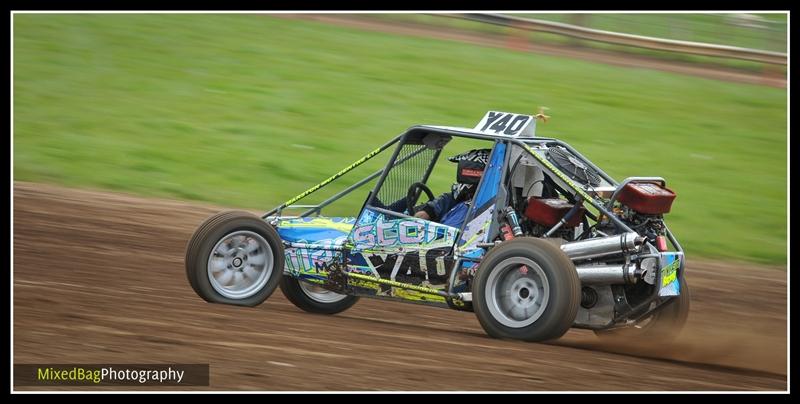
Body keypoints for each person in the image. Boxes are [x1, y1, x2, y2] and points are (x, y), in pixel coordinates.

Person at [412, 149, 491, 228]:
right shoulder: (474, 200)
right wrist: (429, 211)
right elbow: (451, 198)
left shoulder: (468, 209)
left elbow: (443, 236)